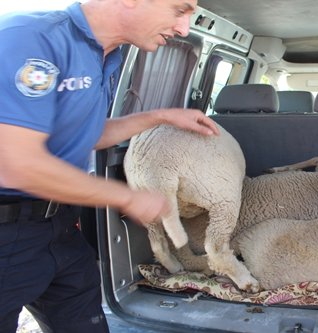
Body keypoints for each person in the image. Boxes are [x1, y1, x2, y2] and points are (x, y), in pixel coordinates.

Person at [0, 0, 218, 332]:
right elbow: (16, 163)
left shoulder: (109, 56)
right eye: (179, 10)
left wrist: (161, 116)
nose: (184, 29)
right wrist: (127, 197)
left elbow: (84, 133)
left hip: (59, 227)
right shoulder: (30, 39)